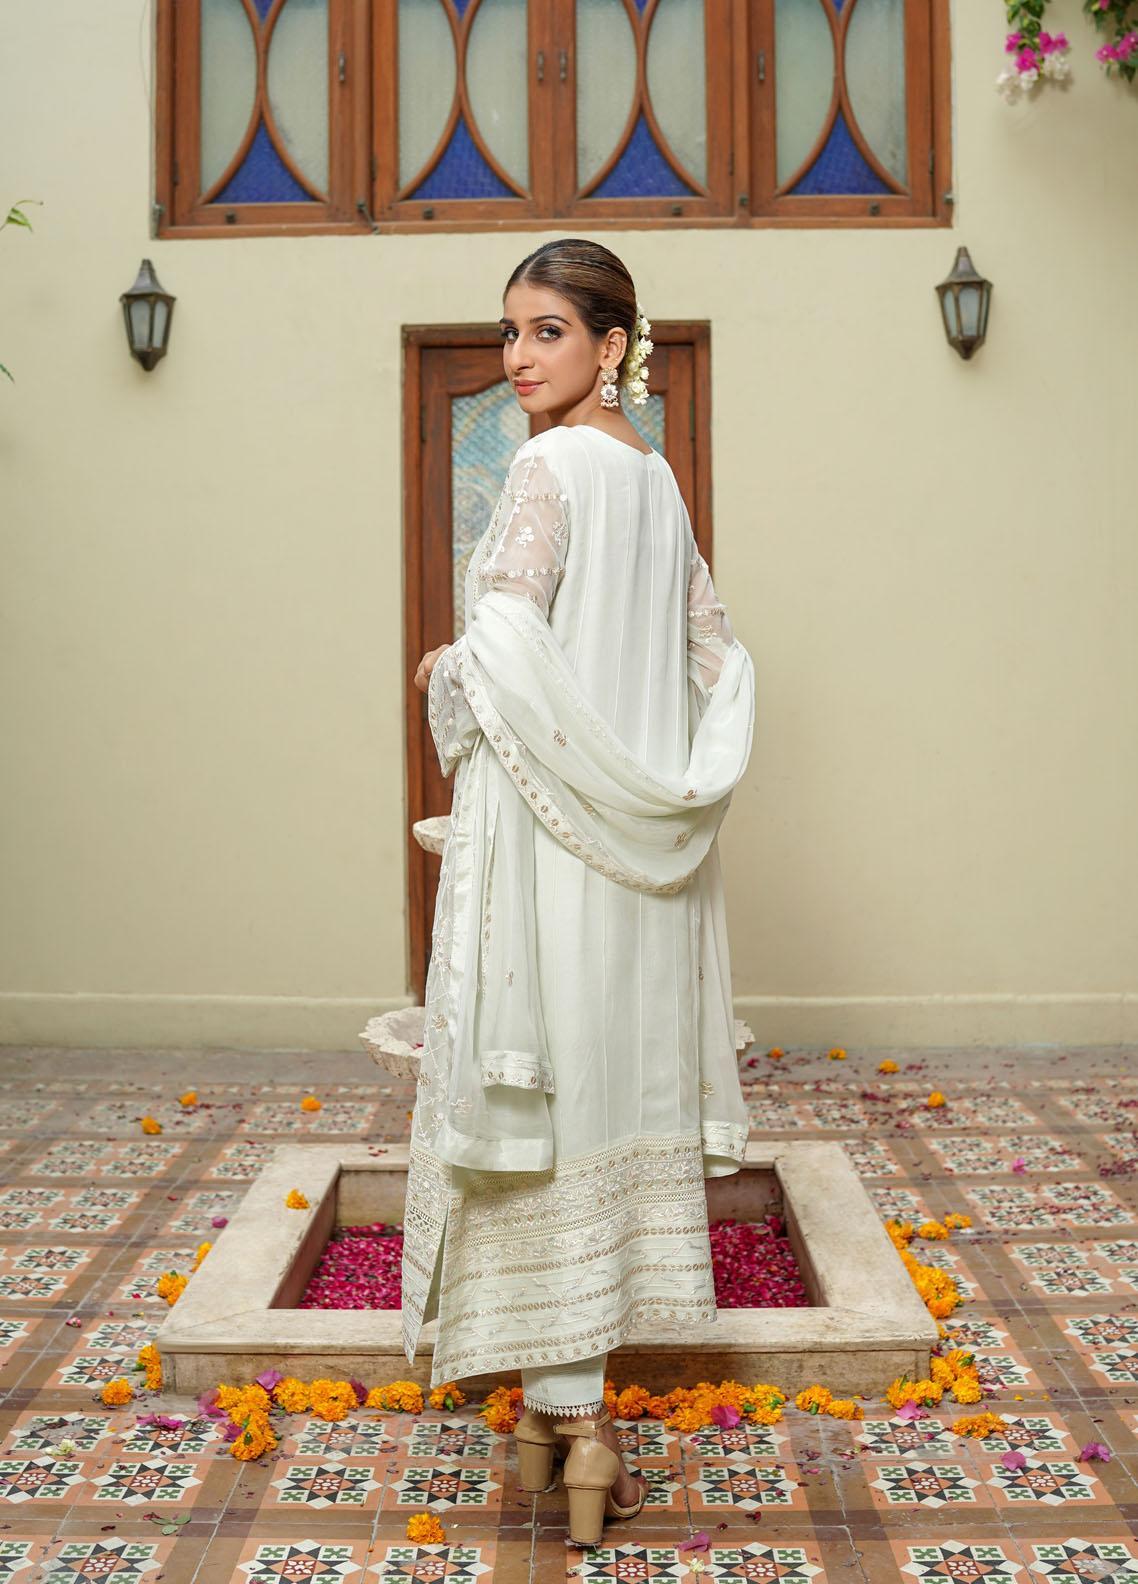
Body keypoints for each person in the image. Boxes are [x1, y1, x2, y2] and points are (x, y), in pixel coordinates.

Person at [407, 238, 755, 1545]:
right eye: (508, 332)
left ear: (613, 346)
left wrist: (448, 668)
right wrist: (670, 786)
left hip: (556, 851)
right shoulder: (655, 480)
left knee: (544, 1102)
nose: (517, 357)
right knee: (607, 1095)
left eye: (545, 331)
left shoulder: (548, 468)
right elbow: (716, 659)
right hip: (640, 862)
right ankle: (570, 1424)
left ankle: (572, 1423)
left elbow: (503, 642)